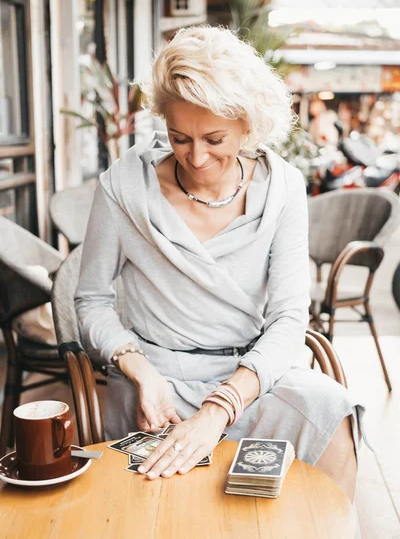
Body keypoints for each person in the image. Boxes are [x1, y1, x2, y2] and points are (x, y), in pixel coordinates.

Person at [74, 26, 367, 501]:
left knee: (332, 411)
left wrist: (219, 408)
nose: (196, 157)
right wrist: (138, 370)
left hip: (249, 377)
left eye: (214, 138)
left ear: (247, 125)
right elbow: (90, 301)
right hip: (155, 382)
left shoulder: (283, 188)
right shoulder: (123, 187)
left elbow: (290, 319)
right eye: (179, 138)